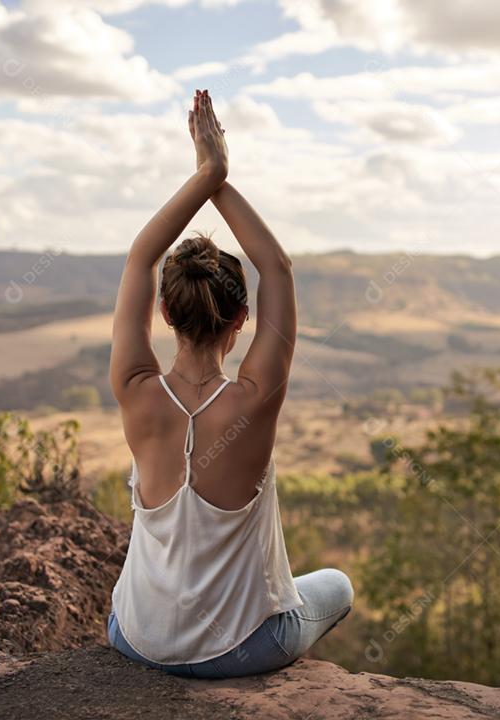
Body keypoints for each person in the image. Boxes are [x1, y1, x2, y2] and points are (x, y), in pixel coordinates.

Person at [105, 89, 354, 679]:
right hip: (240, 652)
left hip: (135, 638)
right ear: (242, 321)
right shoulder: (254, 399)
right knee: (336, 583)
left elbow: (139, 259)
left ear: (164, 313)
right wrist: (220, 179)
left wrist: (205, 172)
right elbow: (278, 268)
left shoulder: (134, 387)